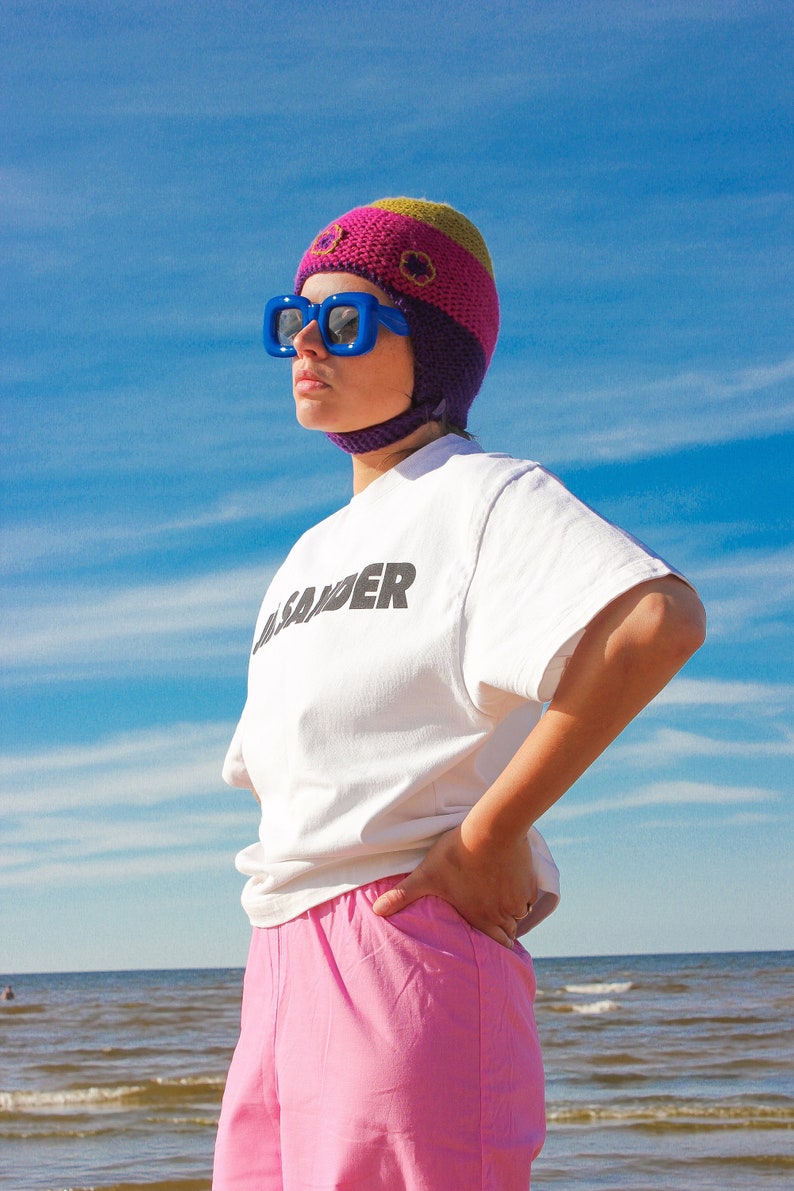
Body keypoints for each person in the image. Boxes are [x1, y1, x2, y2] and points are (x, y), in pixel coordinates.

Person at [212, 198, 705, 1190]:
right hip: (278, 954)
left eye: (344, 321)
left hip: (403, 944)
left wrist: (488, 836)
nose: (306, 341)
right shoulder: (306, 554)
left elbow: (654, 622)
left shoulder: (479, 495)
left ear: (433, 346)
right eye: (291, 320)